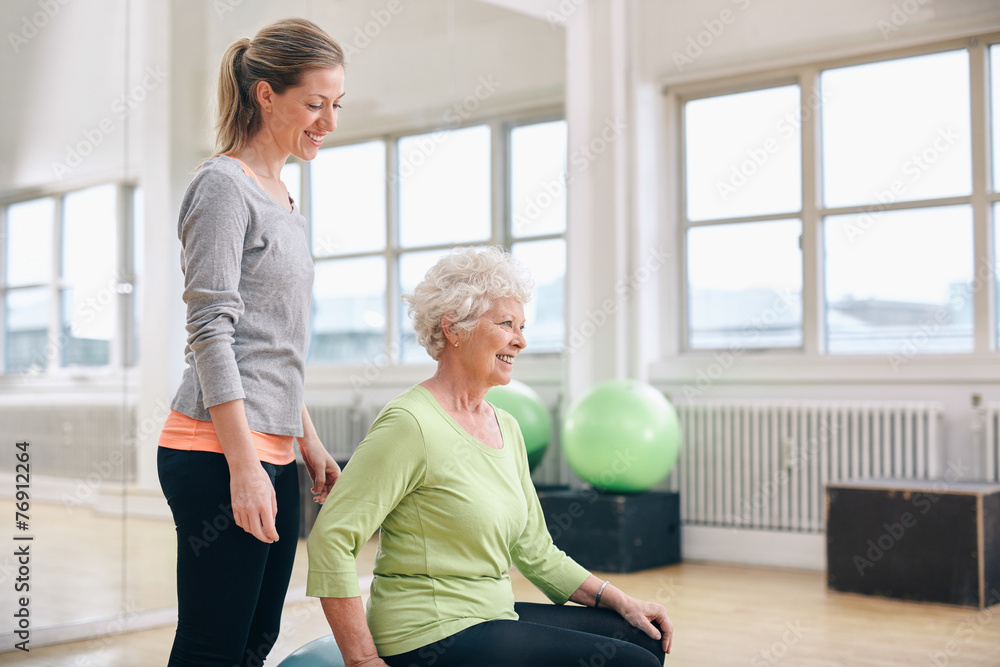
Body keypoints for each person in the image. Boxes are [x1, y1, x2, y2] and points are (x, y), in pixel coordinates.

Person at [307, 247, 673, 667]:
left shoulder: (507, 428)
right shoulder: (410, 424)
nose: (521, 339)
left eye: (521, 326)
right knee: (632, 664)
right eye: (506, 324)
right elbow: (332, 538)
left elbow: (536, 551)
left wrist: (620, 600)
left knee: (643, 637)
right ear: (454, 327)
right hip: (427, 631)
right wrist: (362, 659)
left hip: (492, 613)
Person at [156, 18, 345, 667]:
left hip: (276, 448)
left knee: (254, 642)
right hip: (215, 450)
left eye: (335, 105)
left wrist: (307, 441)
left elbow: (274, 343)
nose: (328, 121)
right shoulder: (222, 187)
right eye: (314, 104)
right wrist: (243, 466)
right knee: (214, 644)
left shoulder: (283, 196)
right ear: (266, 95)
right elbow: (213, 330)